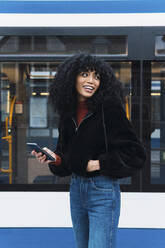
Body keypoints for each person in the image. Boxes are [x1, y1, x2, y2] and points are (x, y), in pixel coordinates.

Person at [32, 53, 146, 248]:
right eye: (85, 74)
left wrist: (98, 163)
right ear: (72, 78)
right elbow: (66, 159)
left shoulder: (109, 110)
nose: (91, 81)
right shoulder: (67, 112)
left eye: (96, 76)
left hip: (102, 189)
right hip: (76, 189)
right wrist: (54, 159)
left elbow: (135, 154)